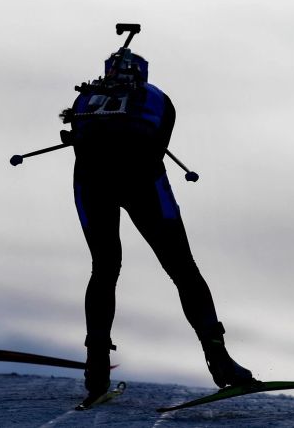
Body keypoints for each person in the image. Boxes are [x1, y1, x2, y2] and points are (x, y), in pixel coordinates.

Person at [60, 47, 255, 403]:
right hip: (142, 181)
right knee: (182, 268)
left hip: (91, 181)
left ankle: (97, 368)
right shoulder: (156, 97)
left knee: (104, 269)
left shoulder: (86, 96)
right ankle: (219, 359)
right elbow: (160, 143)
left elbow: (77, 142)